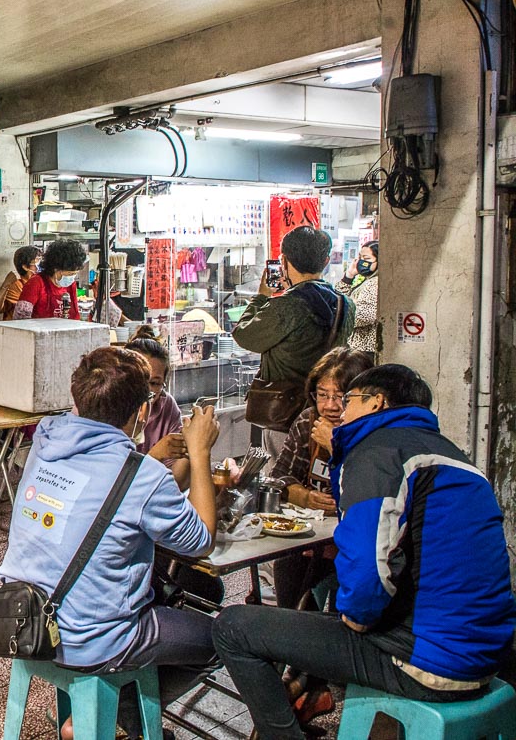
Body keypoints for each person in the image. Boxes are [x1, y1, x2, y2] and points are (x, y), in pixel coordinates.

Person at [214, 364, 516, 740]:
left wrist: (355, 618)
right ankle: (305, 692)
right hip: (488, 656)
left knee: (233, 626)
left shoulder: (378, 452)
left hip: (427, 659)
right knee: (316, 612)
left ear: (377, 403)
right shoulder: (452, 457)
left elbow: (370, 568)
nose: (339, 408)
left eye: (348, 399)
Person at [0, 347, 221, 740]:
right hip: (94, 639)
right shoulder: (143, 476)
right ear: (141, 412)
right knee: (225, 639)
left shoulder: (45, 444)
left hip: (25, 617)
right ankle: (121, 715)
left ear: (77, 399)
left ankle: (94, 717)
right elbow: (201, 541)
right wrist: (200, 452)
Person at [267, 347, 374, 723]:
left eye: (340, 396)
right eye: (322, 394)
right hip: (307, 531)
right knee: (290, 573)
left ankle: (306, 684)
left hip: (352, 542)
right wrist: (303, 494)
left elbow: (372, 495)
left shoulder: (371, 434)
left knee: (335, 592)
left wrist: (338, 447)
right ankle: (301, 677)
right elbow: (280, 476)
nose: (329, 405)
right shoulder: (307, 422)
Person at [232, 226, 354, 451]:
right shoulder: (345, 303)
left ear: (284, 261)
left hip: (284, 415)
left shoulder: (287, 305)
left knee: (282, 478)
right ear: (326, 261)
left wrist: (261, 296)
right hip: (326, 412)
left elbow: (244, 335)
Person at [126, 326, 188, 488]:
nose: (146, 391)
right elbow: (118, 486)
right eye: (139, 379)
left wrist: (194, 446)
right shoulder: (110, 410)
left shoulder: (167, 407)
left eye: (154, 383)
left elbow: (175, 484)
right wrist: (155, 455)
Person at [13, 239, 86, 320]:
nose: (72, 277)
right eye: (70, 274)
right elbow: (20, 319)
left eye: (75, 273)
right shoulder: (36, 283)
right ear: (56, 269)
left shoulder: (71, 284)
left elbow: (74, 316)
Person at [338, 241, 378, 354]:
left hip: (365, 349)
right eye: (360, 257)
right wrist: (349, 276)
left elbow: (363, 316)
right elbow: (338, 299)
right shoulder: (367, 280)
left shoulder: (375, 283)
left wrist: (348, 307)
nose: (361, 262)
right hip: (358, 348)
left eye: (366, 258)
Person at [0, 245, 41, 320]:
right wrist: (6, 284)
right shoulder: (17, 285)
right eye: (37, 263)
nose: (39, 267)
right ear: (25, 267)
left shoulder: (41, 282)